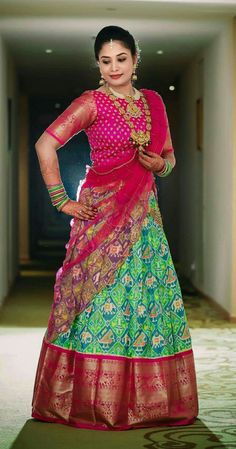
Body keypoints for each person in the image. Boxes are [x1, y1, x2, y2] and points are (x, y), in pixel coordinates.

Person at [31, 25, 199, 431]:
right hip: (101, 217)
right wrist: (61, 200)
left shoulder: (155, 103)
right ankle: (94, 401)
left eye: (121, 59)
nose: (114, 68)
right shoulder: (91, 103)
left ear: (135, 59)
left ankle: (148, 404)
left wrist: (160, 166)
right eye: (105, 61)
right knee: (98, 302)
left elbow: (170, 158)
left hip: (145, 222)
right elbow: (45, 144)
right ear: (98, 64)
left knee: (146, 303)